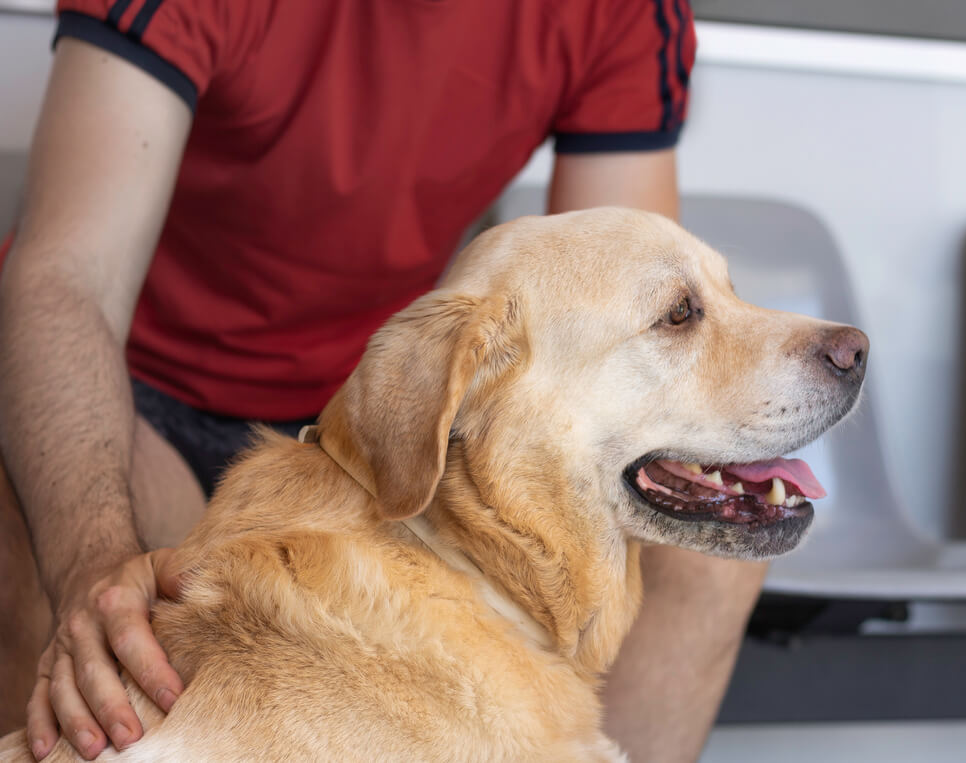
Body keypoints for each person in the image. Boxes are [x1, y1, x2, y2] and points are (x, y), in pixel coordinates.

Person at [0, 1, 767, 760]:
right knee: (31, 501)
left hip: (378, 422)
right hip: (136, 400)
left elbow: (633, 329)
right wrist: (92, 568)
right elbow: (65, 280)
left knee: (710, 546)